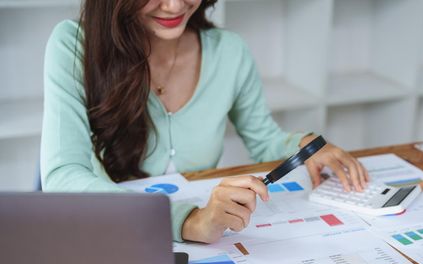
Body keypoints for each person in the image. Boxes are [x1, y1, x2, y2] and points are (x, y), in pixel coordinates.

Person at [41, 0, 369, 244]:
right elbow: (62, 176)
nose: (174, 6)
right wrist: (189, 221)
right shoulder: (74, 45)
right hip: (114, 235)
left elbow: (263, 138)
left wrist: (304, 147)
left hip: (209, 244)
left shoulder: (229, 51)